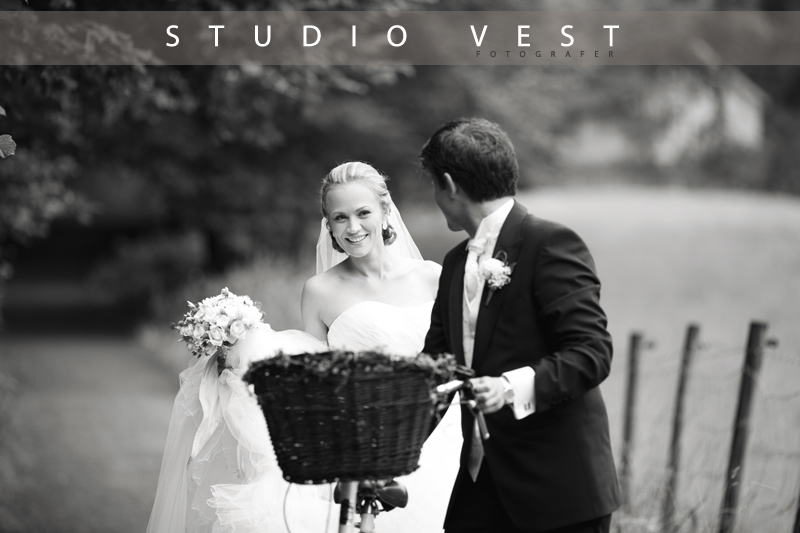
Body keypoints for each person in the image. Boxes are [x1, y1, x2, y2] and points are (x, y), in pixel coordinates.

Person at [146, 161, 462, 533]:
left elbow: (456, 356)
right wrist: (243, 343)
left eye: (363, 213)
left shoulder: (433, 277)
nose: (353, 228)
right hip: (366, 437)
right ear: (329, 225)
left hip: (441, 431)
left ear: (385, 210)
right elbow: (311, 369)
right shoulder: (320, 290)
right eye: (340, 218)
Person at [420, 118, 622, 533]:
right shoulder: (455, 264)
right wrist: (381, 452)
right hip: (481, 485)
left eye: (433, 185)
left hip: (560, 491)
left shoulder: (550, 243)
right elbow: (436, 369)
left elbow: (591, 353)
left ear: (449, 185)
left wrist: (509, 387)